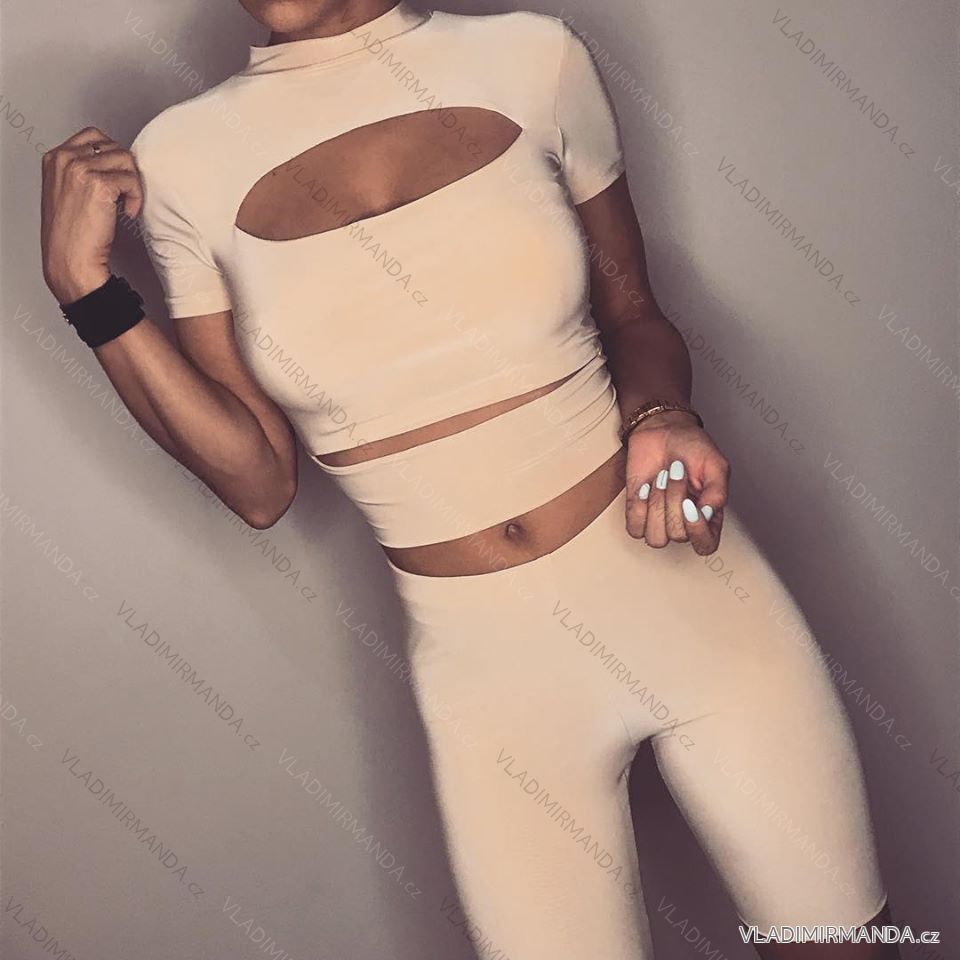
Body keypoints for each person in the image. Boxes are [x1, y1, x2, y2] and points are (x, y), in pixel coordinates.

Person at [40, 1, 899, 955]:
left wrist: (664, 414)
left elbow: (635, 316)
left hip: (693, 595)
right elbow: (259, 484)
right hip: (492, 681)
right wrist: (89, 293)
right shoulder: (182, 158)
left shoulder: (532, 57)